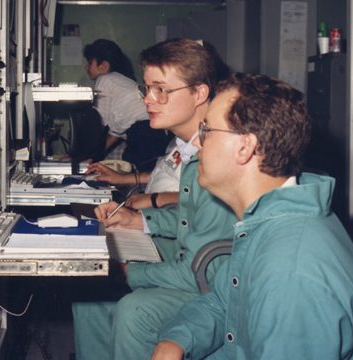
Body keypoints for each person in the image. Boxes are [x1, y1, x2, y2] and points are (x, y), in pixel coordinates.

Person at [151, 73, 353, 359]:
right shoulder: (269, 216)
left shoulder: (289, 268)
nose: (197, 144)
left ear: (245, 147)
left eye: (206, 131)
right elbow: (225, 299)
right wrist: (177, 340)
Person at [72, 38, 235, 360]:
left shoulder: (215, 156)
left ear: (200, 93)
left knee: (134, 308)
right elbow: (191, 215)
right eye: (146, 89)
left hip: (213, 284)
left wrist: (130, 272)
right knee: (87, 293)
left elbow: (204, 267)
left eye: (161, 90)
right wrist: (138, 220)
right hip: (188, 260)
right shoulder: (187, 146)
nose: (148, 100)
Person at [83, 39, 172, 171]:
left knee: (137, 178)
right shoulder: (122, 80)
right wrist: (91, 157)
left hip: (144, 132)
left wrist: (85, 156)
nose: (86, 67)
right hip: (155, 133)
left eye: (90, 62)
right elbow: (115, 132)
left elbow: (99, 126)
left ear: (103, 66)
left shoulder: (104, 80)